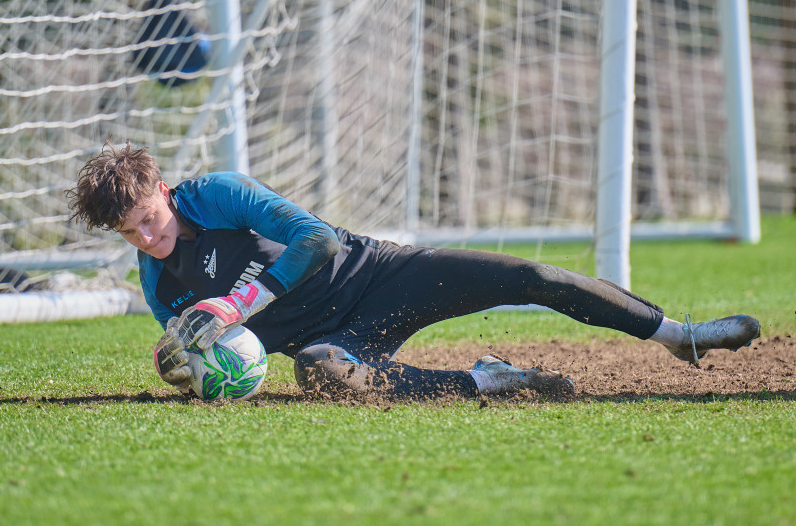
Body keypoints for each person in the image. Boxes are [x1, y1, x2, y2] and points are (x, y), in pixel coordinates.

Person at [67, 142, 761, 400]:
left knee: (532, 277)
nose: (148, 238)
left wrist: (238, 303)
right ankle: (490, 379)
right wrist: (184, 365)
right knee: (322, 375)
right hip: (334, 338)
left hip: (378, 274)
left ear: (163, 190)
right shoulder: (159, 284)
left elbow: (316, 239)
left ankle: (679, 335)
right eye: (130, 234)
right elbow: (197, 354)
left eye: (149, 218)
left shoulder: (217, 193)